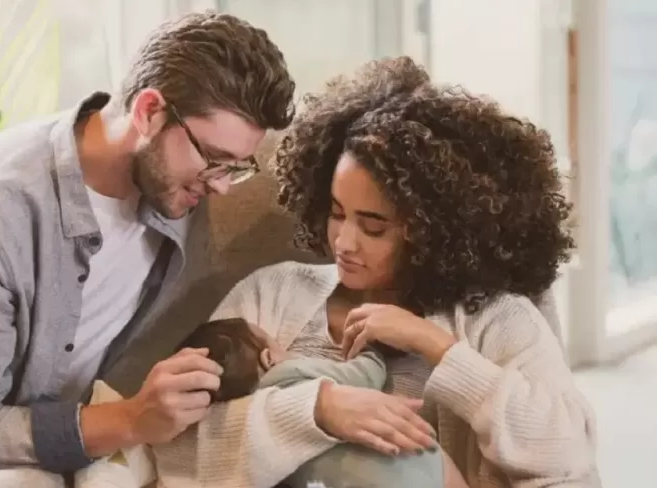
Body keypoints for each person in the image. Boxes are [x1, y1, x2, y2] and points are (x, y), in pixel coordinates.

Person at [147, 56, 601, 488]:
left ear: (435, 232)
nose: (343, 242)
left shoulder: (495, 320)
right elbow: (171, 445)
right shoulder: (274, 294)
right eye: (338, 213)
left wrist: (436, 346)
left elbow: (567, 453)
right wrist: (316, 410)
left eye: (374, 225)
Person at [0, 10, 299, 479]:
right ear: (147, 112)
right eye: (215, 160)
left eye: (238, 167)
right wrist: (130, 419)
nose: (222, 187)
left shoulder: (175, 191)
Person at [76, 318, 447, 488]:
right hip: (406, 468)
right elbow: (365, 377)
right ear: (270, 359)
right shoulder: (294, 374)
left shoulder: (245, 438)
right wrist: (371, 353)